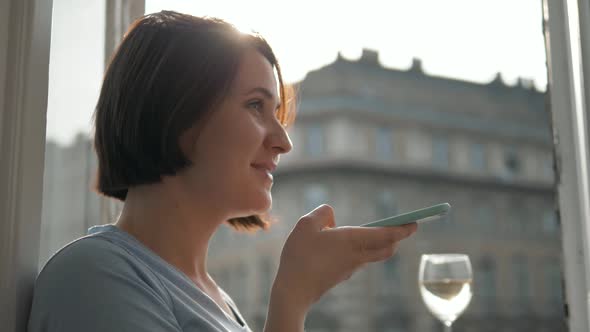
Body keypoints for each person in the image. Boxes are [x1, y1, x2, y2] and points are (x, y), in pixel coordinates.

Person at [27, 10, 417, 332]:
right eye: (255, 106)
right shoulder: (92, 278)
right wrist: (291, 299)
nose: (284, 141)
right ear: (175, 114)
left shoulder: (218, 301)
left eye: (277, 113)